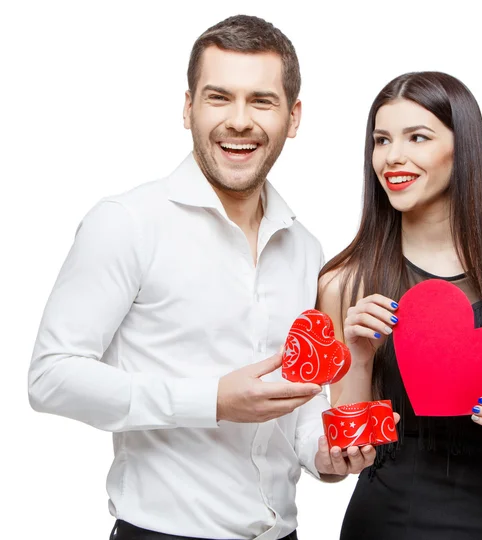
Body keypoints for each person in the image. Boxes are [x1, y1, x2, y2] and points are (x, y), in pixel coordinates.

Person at [28, 15, 376, 540]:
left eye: (261, 100)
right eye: (219, 98)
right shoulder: (127, 222)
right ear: (188, 108)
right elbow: (51, 377)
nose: (240, 121)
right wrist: (210, 400)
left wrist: (323, 455)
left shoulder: (305, 248)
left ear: (293, 116)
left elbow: (299, 395)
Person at [317, 71, 482, 539]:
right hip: (391, 521)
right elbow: (349, 452)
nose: (393, 156)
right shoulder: (344, 281)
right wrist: (357, 355)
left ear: (464, 147)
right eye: (381, 140)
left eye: (418, 137)